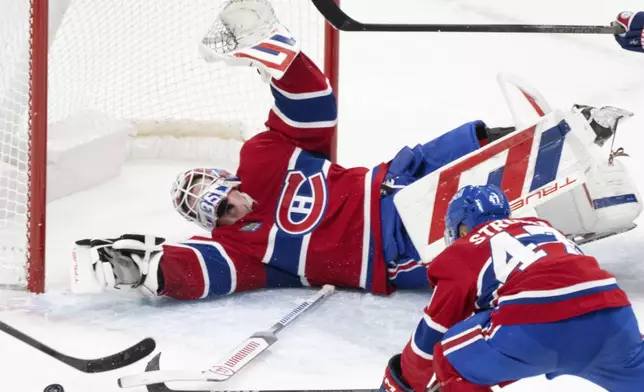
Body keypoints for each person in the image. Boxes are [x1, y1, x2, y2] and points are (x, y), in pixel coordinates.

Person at [70, 2, 639, 301]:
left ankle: (540, 150)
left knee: (465, 145)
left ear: (226, 179)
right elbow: (204, 272)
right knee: (487, 229)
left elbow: (315, 113)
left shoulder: (263, 159)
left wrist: (281, 59)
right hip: (397, 250)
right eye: (216, 212)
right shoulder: (243, 251)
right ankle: (572, 214)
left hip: (391, 180)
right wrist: (147, 271)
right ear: (211, 221)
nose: (230, 209)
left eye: (223, 197)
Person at [380, 184, 644, 392]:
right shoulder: (544, 228)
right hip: (615, 319)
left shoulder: (465, 248)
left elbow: (433, 332)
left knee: (450, 354)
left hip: (537, 327)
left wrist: (401, 383)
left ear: (460, 229)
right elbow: (573, 279)